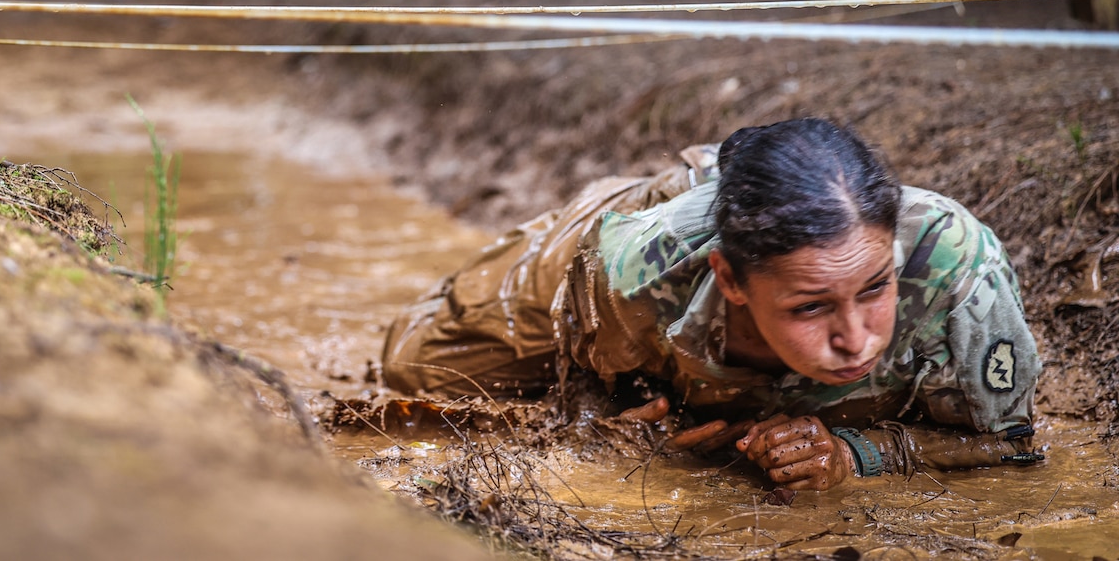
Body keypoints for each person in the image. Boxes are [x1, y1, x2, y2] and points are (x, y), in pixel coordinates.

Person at [382, 118, 1044, 491]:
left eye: (874, 288)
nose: (856, 339)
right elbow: (577, 362)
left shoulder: (961, 273)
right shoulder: (632, 274)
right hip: (622, 238)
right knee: (414, 366)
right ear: (728, 279)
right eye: (811, 307)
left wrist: (853, 453)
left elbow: (1014, 445)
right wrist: (610, 415)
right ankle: (674, 187)